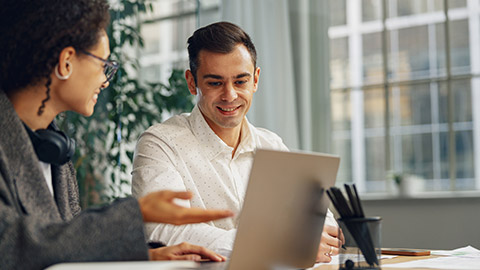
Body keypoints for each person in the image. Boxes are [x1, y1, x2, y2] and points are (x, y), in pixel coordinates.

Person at [0, 1, 234, 269]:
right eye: (103, 64)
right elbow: (8, 245)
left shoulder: (54, 148)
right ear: (66, 62)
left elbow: (64, 245)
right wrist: (135, 215)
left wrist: (146, 257)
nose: (106, 79)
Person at [132, 21, 344, 263]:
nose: (230, 95)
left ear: (255, 80)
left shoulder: (271, 144)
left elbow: (320, 221)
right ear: (192, 82)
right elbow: (165, 230)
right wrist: (279, 244)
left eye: (240, 81)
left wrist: (299, 240)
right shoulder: (160, 144)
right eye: (215, 83)